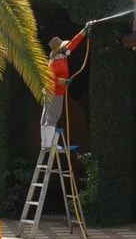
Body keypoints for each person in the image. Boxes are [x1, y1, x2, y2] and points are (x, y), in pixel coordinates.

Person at [40, 20, 95, 148]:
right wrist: (64, 81)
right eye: (64, 48)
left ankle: (47, 142)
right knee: (52, 116)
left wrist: (85, 30)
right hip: (53, 92)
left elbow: (74, 42)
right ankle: (48, 143)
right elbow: (50, 79)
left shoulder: (62, 56)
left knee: (50, 116)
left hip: (57, 91)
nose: (67, 48)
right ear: (59, 50)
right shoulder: (54, 63)